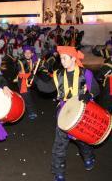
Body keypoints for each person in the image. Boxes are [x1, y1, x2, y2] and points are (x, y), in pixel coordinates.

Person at [51, 46, 100, 181]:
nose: (62, 61)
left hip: (81, 113)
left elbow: (96, 90)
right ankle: (58, 172)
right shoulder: (59, 74)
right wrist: (38, 79)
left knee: (82, 140)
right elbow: (47, 88)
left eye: (64, 58)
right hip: (64, 113)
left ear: (73, 59)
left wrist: (88, 95)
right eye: (61, 58)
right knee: (59, 145)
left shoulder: (86, 73)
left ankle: (88, 156)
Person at [16, 46, 38, 120]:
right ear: (24, 53)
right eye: (26, 53)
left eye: (29, 53)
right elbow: (22, 70)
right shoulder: (21, 61)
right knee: (26, 96)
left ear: (32, 54)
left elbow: (31, 71)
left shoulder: (31, 61)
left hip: (28, 79)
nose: (27, 54)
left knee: (25, 96)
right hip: (22, 81)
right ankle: (30, 112)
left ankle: (22, 109)